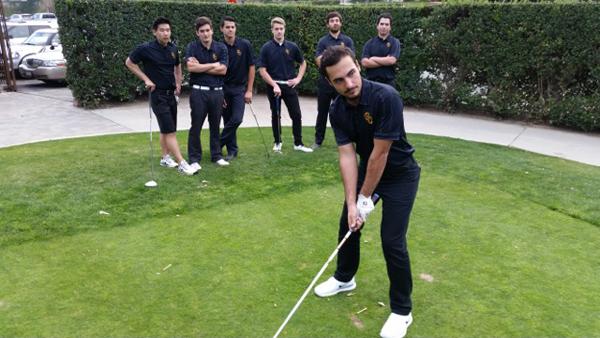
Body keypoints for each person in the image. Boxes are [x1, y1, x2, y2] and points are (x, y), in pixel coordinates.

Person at [314, 46, 420, 338]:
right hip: (369, 171)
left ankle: (402, 311)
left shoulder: (387, 97)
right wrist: (352, 203)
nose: (349, 84)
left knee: (392, 240)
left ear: (358, 66)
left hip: (400, 176)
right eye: (339, 80)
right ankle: (345, 278)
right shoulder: (337, 109)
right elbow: (348, 156)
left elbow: (379, 155)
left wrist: (364, 199)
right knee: (347, 223)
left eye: (351, 74)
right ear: (329, 82)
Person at [125, 16, 196, 176]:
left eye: (168, 30)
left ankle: (165, 158)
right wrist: (146, 79)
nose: (166, 33)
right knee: (170, 130)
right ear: (154, 32)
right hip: (157, 95)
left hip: (171, 95)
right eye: (162, 30)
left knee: (167, 130)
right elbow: (129, 62)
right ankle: (182, 163)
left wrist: (178, 83)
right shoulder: (145, 49)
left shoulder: (172, 49)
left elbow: (177, 66)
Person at [257, 17, 313, 153]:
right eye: (276, 29)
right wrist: (273, 85)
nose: (279, 31)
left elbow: (303, 63)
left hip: (289, 86)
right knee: (276, 115)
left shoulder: (292, 47)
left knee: (296, 114)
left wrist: (298, 78)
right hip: (273, 87)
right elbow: (262, 70)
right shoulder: (266, 48)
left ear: (284, 29)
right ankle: (277, 142)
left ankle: (298, 144)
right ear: (272, 30)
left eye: (281, 29)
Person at [185, 16, 230, 169]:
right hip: (199, 92)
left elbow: (223, 70)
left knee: (215, 125)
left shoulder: (221, 48)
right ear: (197, 33)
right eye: (202, 31)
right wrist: (212, 65)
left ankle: (216, 155)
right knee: (196, 125)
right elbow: (191, 68)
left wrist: (201, 67)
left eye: (208, 30)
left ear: (212, 31)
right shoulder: (192, 47)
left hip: (217, 93)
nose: (205, 34)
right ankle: (194, 158)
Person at [312, 11, 355, 150]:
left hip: (342, 84)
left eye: (337, 20)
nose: (335, 22)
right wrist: (337, 64)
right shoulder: (322, 41)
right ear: (328, 24)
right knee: (322, 112)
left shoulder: (347, 41)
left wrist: (330, 61)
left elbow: (351, 60)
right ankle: (318, 141)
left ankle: (346, 140)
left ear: (340, 23)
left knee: (344, 111)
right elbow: (318, 60)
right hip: (325, 83)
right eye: (332, 21)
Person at [219, 16, 256, 161]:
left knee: (237, 119)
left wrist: (249, 90)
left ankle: (218, 144)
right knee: (227, 120)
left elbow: (251, 67)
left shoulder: (245, 45)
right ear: (222, 29)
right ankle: (232, 151)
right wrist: (219, 92)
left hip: (239, 89)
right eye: (227, 27)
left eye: (232, 27)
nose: (230, 29)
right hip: (223, 88)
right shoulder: (218, 47)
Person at [361, 13, 401, 87]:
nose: (384, 26)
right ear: (377, 26)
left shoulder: (395, 42)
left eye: (386, 24)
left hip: (388, 84)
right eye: (381, 24)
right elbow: (364, 63)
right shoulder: (369, 43)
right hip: (371, 83)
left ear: (390, 27)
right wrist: (385, 60)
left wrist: (373, 58)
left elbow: (392, 60)